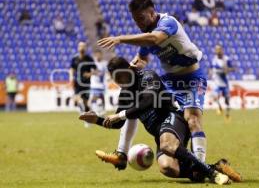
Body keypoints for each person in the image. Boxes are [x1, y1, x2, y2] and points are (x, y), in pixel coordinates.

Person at [79, 57, 241, 184]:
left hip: (173, 119)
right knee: (167, 168)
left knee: (167, 145)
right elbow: (119, 123)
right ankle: (212, 168)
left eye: (121, 75)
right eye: (115, 78)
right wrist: (97, 120)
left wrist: (120, 114)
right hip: (160, 133)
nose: (120, 81)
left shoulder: (147, 76)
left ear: (129, 69)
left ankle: (211, 174)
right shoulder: (125, 94)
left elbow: (148, 101)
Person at [98, 0, 208, 163]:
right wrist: (135, 64)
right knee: (136, 103)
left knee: (192, 118)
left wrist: (120, 39)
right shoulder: (146, 35)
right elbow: (143, 59)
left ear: (152, 12)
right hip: (169, 81)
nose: (139, 23)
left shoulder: (167, 23)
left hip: (191, 78)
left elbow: (155, 39)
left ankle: (200, 165)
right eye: (135, 20)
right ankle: (121, 154)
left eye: (141, 18)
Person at [69, 42, 96, 114]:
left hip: (86, 83)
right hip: (77, 82)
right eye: (80, 46)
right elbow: (72, 69)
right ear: (78, 48)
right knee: (77, 97)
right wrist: (71, 76)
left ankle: (88, 115)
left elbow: (96, 70)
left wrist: (89, 74)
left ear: (86, 48)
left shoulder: (89, 59)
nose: (82, 48)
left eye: (83, 46)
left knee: (86, 102)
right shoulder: (74, 59)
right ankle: (80, 105)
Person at [209, 45, 235, 119]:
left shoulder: (226, 59)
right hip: (216, 83)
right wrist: (210, 73)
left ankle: (227, 114)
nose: (217, 51)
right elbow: (211, 69)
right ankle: (219, 107)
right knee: (215, 96)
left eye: (219, 49)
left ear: (222, 50)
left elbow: (233, 68)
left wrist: (227, 70)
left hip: (224, 83)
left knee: (227, 99)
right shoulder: (214, 60)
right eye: (216, 49)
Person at [88, 50, 108, 116]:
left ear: (101, 55)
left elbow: (107, 72)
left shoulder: (104, 63)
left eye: (99, 55)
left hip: (101, 85)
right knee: (95, 99)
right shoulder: (92, 64)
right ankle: (98, 111)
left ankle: (101, 111)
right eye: (96, 55)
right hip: (94, 85)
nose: (98, 56)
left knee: (100, 98)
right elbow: (89, 73)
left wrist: (109, 78)